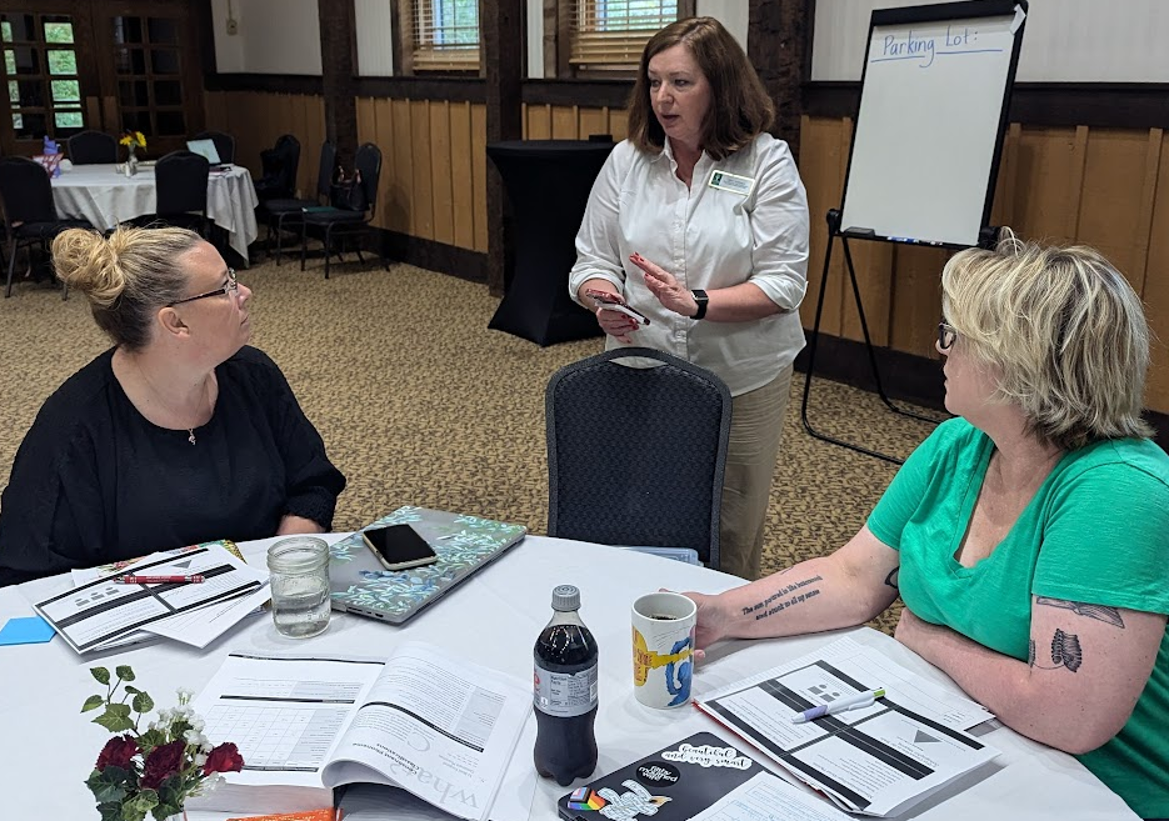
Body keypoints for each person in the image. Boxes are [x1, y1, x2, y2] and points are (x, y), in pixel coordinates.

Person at [684, 237, 1169, 820]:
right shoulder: (962, 443)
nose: (939, 349)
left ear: (1017, 360)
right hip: (983, 744)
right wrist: (724, 613)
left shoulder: (1116, 491)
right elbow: (854, 576)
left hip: (1102, 792)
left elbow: (1068, 715)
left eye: (954, 334)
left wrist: (928, 638)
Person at [569, 17, 809, 580]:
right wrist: (599, 295)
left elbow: (784, 284)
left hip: (740, 374)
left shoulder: (765, 163)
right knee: (638, 502)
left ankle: (727, 626)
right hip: (639, 363)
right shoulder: (628, 162)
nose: (662, 98)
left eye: (680, 82)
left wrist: (697, 303)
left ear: (720, 87)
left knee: (730, 520)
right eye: (653, 83)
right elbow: (591, 259)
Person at [0, 226, 346, 586]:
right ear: (175, 321)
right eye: (225, 286)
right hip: (137, 629)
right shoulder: (73, 428)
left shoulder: (253, 375)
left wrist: (282, 565)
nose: (245, 293)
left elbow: (312, 485)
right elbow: (30, 576)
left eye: (234, 277)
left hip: (261, 606)